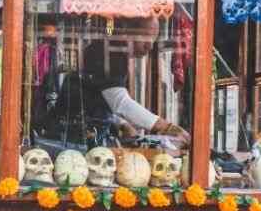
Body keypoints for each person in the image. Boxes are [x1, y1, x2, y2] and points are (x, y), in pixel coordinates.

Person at [34, 16, 190, 149]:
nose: (149, 46)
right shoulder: (108, 52)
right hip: (69, 137)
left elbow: (98, 97)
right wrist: (166, 127)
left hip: (75, 134)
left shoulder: (111, 52)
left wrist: (121, 123)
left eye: (153, 39)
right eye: (145, 37)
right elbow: (119, 102)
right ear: (127, 30)